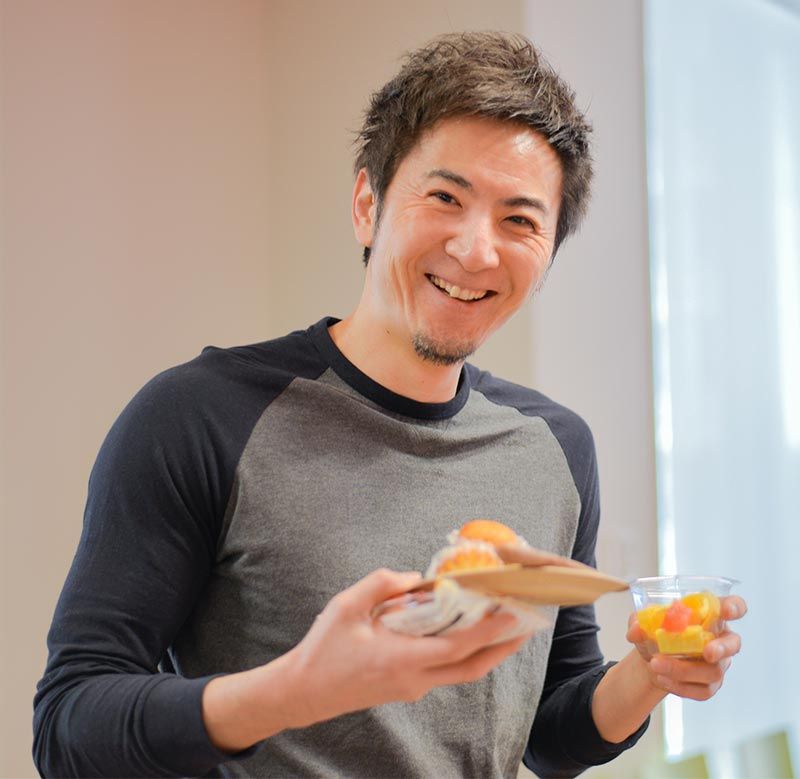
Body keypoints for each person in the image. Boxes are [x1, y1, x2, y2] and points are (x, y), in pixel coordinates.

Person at [33, 31, 745, 778]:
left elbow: (544, 729)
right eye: (445, 197)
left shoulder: (557, 447)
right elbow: (69, 725)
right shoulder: (198, 416)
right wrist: (293, 690)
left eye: (520, 220)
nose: (476, 250)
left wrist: (646, 675)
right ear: (367, 205)